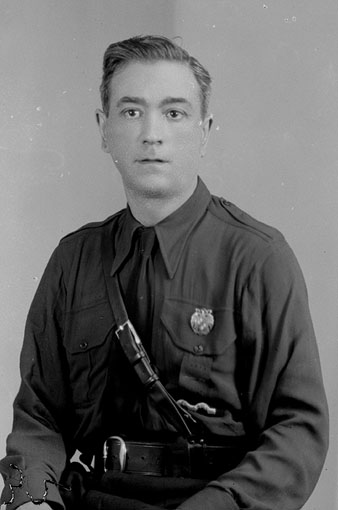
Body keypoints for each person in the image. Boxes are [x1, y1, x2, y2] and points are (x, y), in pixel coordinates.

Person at [0, 35, 329, 510]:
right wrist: (29, 501)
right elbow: (37, 419)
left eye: (174, 113)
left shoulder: (257, 258)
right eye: (131, 112)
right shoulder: (73, 261)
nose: (151, 133)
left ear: (204, 128)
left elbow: (298, 430)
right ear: (104, 128)